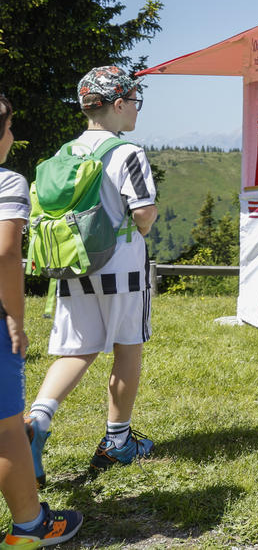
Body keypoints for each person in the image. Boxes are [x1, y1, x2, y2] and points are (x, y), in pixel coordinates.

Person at [26, 67, 158, 484]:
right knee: (127, 348)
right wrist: (143, 227)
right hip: (121, 271)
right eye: (134, 101)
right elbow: (142, 214)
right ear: (118, 105)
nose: (136, 109)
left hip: (73, 268)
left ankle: (38, 421)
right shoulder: (127, 152)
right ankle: (118, 441)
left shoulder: (66, 152)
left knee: (76, 351)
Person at [0, 96, 84, 546]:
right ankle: (31, 527)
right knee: (6, 428)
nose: (13, 136)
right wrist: (15, 318)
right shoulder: (8, 182)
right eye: (10, 126)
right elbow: (7, 253)